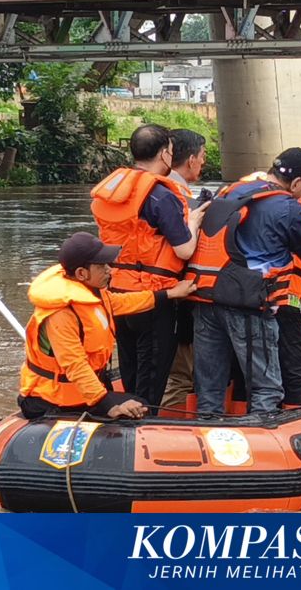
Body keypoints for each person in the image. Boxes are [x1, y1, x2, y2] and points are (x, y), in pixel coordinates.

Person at [185, 148, 301, 415]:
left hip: (205, 299)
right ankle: (261, 433)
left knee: (210, 387)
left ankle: (207, 429)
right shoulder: (289, 208)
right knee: (265, 387)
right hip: (248, 304)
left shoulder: (231, 191)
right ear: (296, 183)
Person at [90, 124, 208, 410]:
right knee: (151, 379)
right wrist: (193, 222)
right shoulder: (161, 195)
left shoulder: (113, 192)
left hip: (117, 293)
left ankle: (125, 415)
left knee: (130, 369)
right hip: (155, 298)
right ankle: (142, 422)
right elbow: (184, 249)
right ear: (165, 153)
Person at [17, 232, 196, 420]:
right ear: (81, 273)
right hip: (53, 401)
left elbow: (123, 302)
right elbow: (75, 366)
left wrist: (169, 294)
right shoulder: (61, 314)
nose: (110, 270)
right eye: (102, 266)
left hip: (80, 395)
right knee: (135, 413)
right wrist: (108, 405)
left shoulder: (93, 294)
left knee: (140, 405)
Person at [161, 128, 210, 409]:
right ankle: (165, 424)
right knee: (180, 374)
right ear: (191, 160)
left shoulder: (151, 191)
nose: (203, 162)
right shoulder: (176, 198)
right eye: (202, 156)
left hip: (142, 294)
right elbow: (184, 250)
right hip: (176, 297)